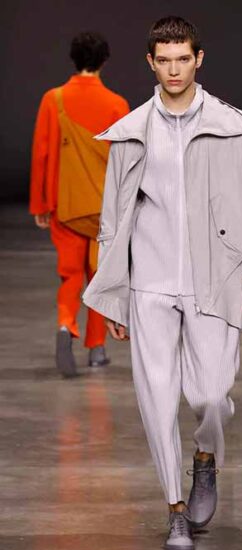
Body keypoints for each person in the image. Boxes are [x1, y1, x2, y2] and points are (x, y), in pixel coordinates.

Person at [82, 16, 242, 550]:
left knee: (212, 395)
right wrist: (115, 294)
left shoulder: (231, 127)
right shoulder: (131, 132)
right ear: (151, 63)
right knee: (155, 399)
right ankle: (175, 510)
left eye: (183, 59)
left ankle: (205, 457)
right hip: (149, 284)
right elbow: (113, 222)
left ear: (199, 60)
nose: (174, 70)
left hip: (215, 280)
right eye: (164, 60)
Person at [29, 31, 129, 377]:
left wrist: (40, 204)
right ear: (104, 61)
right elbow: (125, 162)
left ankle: (65, 324)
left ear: (73, 59)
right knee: (99, 276)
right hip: (104, 210)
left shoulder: (53, 99)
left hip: (66, 206)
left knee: (70, 274)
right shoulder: (116, 105)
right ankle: (97, 348)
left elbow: (41, 154)